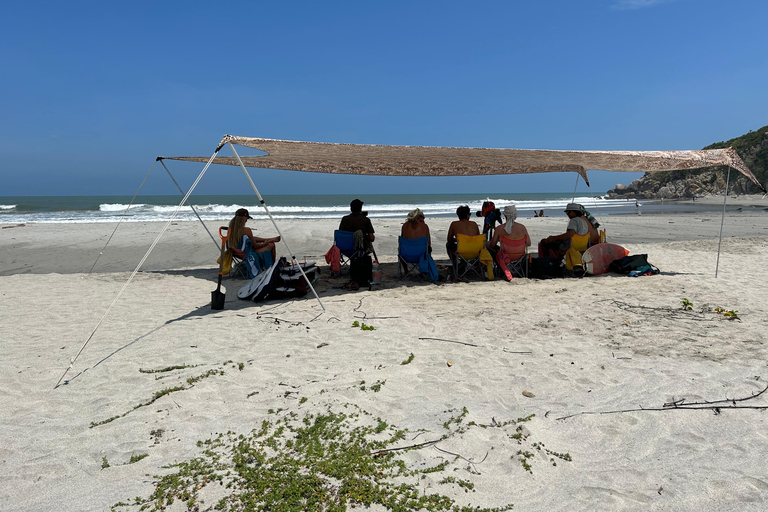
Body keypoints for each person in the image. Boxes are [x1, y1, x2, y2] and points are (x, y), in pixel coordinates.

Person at [339, 199, 375, 289]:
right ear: (361, 209)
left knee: (357, 255)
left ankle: (355, 278)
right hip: (360, 250)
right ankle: (365, 279)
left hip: (346, 249)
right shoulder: (365, 220)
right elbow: (372, 238)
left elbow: (341, 234)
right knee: (365, 254)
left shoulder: (344, 219)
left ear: (351, 208)